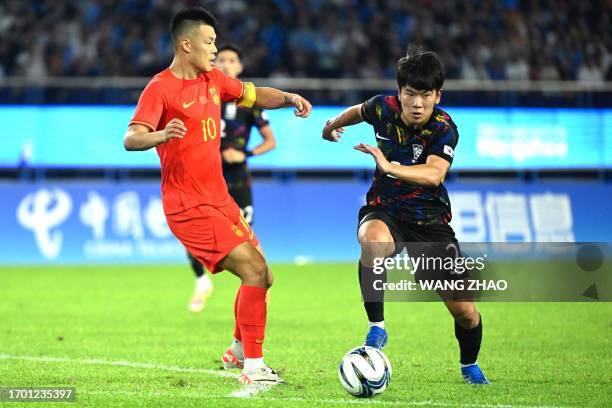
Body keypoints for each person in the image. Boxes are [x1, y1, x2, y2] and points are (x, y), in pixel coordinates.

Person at [124, 7, 311, 385]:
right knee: (254, 271)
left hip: (220, 200)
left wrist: (289, 97)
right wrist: (160, 135)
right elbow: (131, 137)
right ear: (185, 43)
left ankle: (238, 350)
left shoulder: (214, 80)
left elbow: (255, 95)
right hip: (188, 206)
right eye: (208, 42)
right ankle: (254, 369)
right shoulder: (159, 88)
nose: (214, 49)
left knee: (265, 274)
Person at [321, 48, 489, 384]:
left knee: (466, 313)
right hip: (386, 210)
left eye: (425, 95)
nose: (416, 103)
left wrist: (390, 166)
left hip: (429, 223)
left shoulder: (444, 128)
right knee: (372, 241)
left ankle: (469, 365)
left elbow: (434, 175)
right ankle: (377, 328)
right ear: (399, 92)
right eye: (410, 93)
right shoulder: (383, 108)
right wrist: (333, 125)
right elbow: (359, 111)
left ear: (437, 96)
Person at [187, 43, 277, 314]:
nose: (225, 64)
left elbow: (270, 142)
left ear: (239, 67)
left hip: (237, 181)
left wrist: (245, 153)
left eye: (231, 61)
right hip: (204, 180)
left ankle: (257, 290)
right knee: (194, 236)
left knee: (247, 240)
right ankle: (202, 282)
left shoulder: (248, 103)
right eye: (221, 60)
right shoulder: (202, 96)